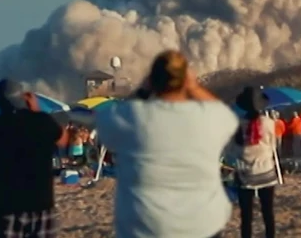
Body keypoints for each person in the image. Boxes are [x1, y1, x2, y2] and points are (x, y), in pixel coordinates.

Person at [95, 50, 237, 238]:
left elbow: (107, 120)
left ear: (153, 81)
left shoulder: (133, 117)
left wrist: (143, 90)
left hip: (144, 227)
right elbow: (226, 115)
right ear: (185, 81)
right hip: (202, 225)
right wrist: (194, 87)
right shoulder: (209, 118)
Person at [0, 80, 65, 238]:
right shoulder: (41, 121)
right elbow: (63, 140)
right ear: (22, 98)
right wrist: (36, 110)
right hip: (41, 205)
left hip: (5, 207)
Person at [228, 87, 278, 238]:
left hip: (244, 174)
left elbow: (232, 150)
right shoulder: (269, 123)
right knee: (268, 211)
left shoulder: (237, 125)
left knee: (246, 215)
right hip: (266, 172)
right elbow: (273, 144)